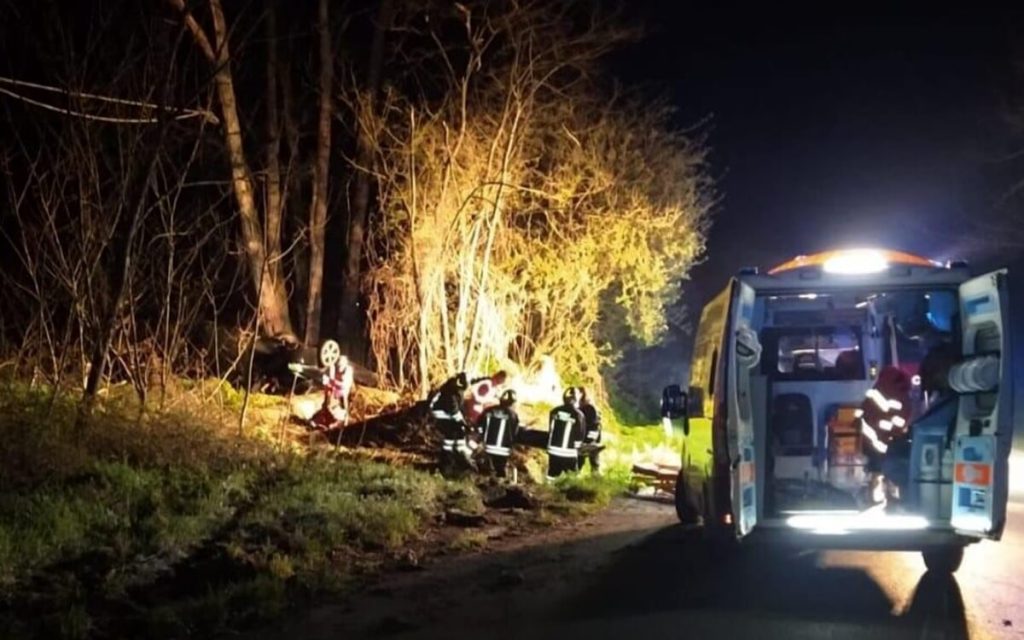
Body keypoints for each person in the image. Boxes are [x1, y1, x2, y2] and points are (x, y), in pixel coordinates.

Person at [857, 365, 913, 507]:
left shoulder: (874, 393)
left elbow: (864, 414)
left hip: (871, 441)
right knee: (890, 470)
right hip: (890, 442)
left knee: (876, 470)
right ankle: (891, 497)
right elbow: (904, 418)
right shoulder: (902, 395)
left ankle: (875, 498)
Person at [428, 372, 473, 469]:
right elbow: (453, 409)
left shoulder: (456, 389)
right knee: (453, 433)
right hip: (440, 413)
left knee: (458, 432)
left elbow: (457, 409)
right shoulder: (452, 391)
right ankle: (448, 458)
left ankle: (456, 456)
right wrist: (462, 422)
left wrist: (464, 421)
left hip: (446, 413)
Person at [547, 387, 585, 480]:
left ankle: (548, 486)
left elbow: (550, 429)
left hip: (553, 451)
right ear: (575, 399)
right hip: (569, 453)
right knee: (572, 478)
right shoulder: (579, 415)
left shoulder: (554, 411)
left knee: (552, 475)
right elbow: (580, 435)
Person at [480, 389, 520, 479]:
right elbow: (515, 433)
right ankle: (500, 480)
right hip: (504, 450)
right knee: (500, 471)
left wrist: (482, 439)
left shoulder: (488, 411)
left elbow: (480, 425)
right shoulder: (513, 415)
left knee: (487, 470)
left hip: (488, 447)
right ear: (512, 402)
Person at [578, 387, 603, 475]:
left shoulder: (583, 409)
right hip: (594, 438)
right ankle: (595, 475)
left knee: (580, 460)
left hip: (585, 439)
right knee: (594, 462)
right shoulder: (593, 408)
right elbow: (598, 425)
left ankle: (575, 474)